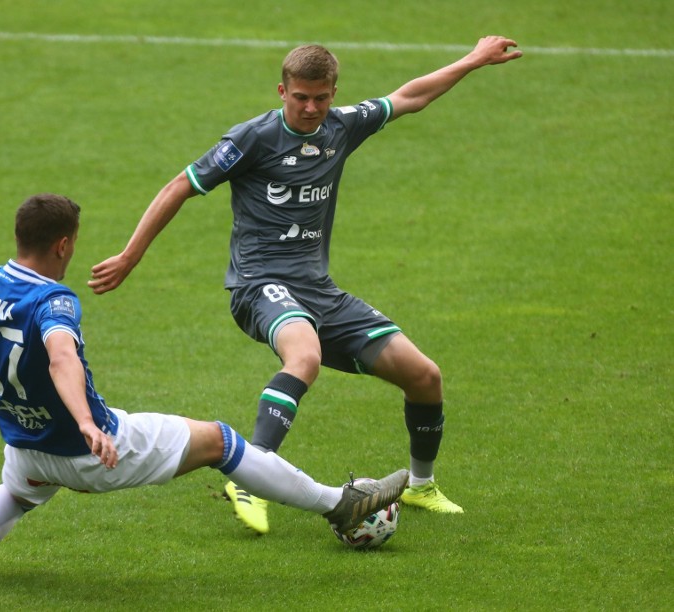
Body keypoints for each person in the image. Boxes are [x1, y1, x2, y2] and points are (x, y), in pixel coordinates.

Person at [88, 36, 522, 533]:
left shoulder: (343, 127)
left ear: (334, 92)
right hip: (259, 285)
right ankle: (250, 474)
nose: (312, 108)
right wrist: (130, 255)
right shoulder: (251, 139)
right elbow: (180, 186)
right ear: (282, 90)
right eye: (301, 97)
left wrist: (472, 59)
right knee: (305, 357)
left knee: (424, 376)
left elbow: (410, 97)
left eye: (321, 97)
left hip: (319, 290)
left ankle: (421, 484)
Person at [0, 194, 408, 586]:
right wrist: (85, 423)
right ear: (64, 244)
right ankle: (340, 505)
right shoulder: (54, 301)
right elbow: (61, 358)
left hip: (26, 445)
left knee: (19, 490)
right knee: (220, 442)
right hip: (93, 444)